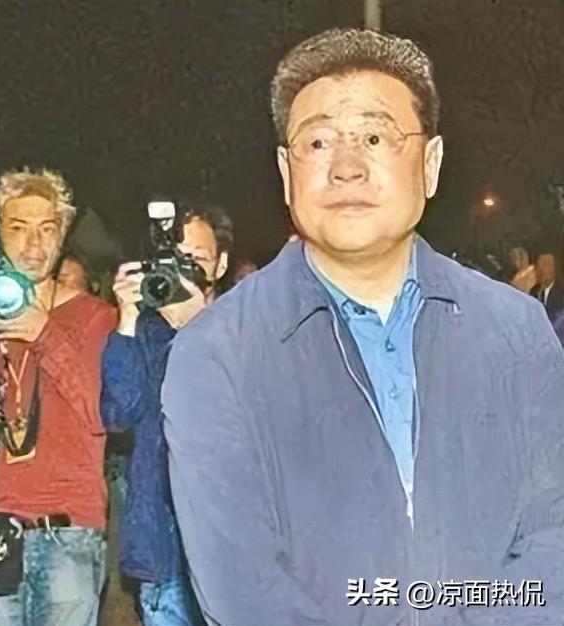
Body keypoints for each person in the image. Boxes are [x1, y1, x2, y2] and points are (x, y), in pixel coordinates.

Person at [163, 28, 564, 625]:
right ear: (286, 171)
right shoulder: (218, 352)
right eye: (318, 142)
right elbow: (244, 591)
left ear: (430, 164)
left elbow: (553, 538)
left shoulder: (516, 329)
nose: (347, 167)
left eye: (375, 137)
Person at [0, 168, 117, 626]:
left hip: (69, 528)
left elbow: (100, 413)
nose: (34, 244)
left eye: (47, 229)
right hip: (3, 527)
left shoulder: (95, 317)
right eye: (19, 228)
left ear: (62, 236)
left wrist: (42, 332)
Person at [101, 200, 231, 626]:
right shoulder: (146, 332)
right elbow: (118, 414)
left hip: (230, 550)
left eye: (196, 259)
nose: (184, 271)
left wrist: (199, 327)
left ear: (221, 264)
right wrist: (126, 318)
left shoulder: (247, 327)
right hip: (163, 548)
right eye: (175, 260)